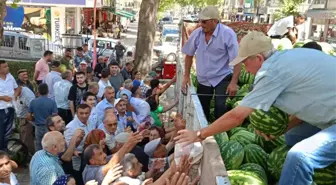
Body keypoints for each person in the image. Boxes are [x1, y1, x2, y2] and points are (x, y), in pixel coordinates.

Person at [175, 31, 336, 185]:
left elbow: (237, 117)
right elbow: (308, 106)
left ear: (258, 58)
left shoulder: (271, 72)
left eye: (244, 62)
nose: (244, 68)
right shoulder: (288, 57)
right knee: (291, 138)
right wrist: (284, 127)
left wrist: (199, 134)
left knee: (299, 158)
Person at [181, 5, 240, 121]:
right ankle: (204, 135)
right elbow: (189, 54)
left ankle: (221, 132)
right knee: (202, 110)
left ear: (214, 21)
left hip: (222, 76)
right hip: (203, 78)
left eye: (204, 22)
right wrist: (186, 76)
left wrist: (233, 82)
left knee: (219, 107)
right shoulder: (197, 34)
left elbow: (237, 60)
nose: (201, 24)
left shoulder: (228, 34)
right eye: (200, 21)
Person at [64, 104, 95, 184]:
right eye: (81, 113)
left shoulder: (91, 122)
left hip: (90, 160)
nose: (84, 116)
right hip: (77, 163)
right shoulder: (70, 127)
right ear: (76, 113)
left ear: (90, 113)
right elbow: (67, 149)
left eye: (86, 113)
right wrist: (77, 139)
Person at [27, 83, 58, 151]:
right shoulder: (52, 102)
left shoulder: (33, 102)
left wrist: (34, 120)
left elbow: (28, 116)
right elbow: (55, 115)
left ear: (38, 91)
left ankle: (39, 159)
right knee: (50, 145)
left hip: (38, 127)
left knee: (38, 145)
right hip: (49, 127)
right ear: (47, 91)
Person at [0, 60, 18, 151]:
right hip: (1, 109)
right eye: (4, 67)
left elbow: (17, 88)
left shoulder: (10, 76)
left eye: (7, 66)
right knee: (1, 130)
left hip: (10, 107)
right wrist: (2, 98)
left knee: (8, 130)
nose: (7, 68)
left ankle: (4, 149)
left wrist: (15, 95)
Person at [14, 85, 35, 154]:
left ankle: (29, 155)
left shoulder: (27, 95)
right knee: (23, 138)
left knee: (27, 139)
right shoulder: (16, 92)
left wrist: (29, 119)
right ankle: (25, 153)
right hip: (21, 118)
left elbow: (34, 110)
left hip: (27, 119)